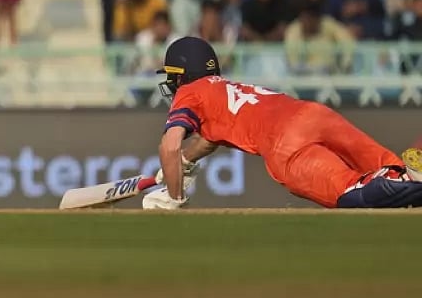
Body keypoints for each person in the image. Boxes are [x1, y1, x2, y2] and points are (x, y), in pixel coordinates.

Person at [144, 36, 422, 210]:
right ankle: (410, 174)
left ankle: (408, 181)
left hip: (285, 144)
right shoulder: (225, 89)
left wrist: (174, 195)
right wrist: (183, 163)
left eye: (172, 76)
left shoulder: (189, 91)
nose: (171, 84)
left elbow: (169, 145)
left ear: (183, 75)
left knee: (351, 193)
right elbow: (206, 141)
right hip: (312, 114)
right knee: (391, 166)